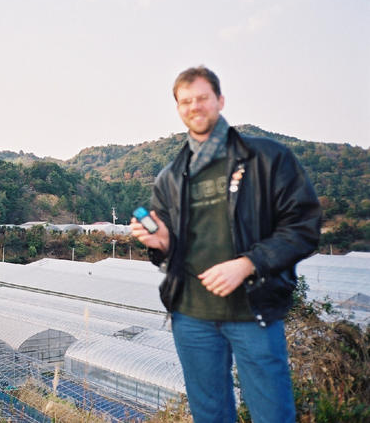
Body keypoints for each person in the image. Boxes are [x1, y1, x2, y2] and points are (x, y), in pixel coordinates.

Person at [130, 66, 321, 423]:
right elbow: (169, 248)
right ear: (178, 109)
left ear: (220, 100)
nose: (194, 106)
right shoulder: (170, 177)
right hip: (191, 315)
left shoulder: (266, 158)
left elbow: (304, 226)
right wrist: (161, 243)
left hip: (252, 310)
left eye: (202, 97)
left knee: (272, 414)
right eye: (185, 101)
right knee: (210, 415)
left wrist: (249, 262)